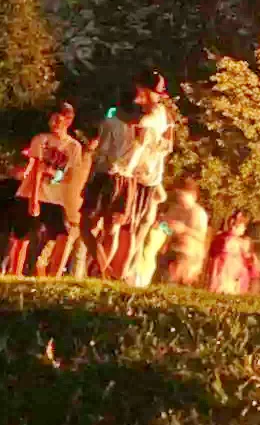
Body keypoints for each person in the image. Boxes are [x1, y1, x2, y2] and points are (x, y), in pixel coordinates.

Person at [4, 103, 84, 277]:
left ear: (68, 121)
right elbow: (35, 170)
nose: (53, 123)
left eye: (57, 119)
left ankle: (54, 276)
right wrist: (33, 200)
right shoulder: (41, 140)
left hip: (55, 198)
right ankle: (15, 274)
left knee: (64, 234)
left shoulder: (74, 147)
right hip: (30, 194)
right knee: (22, 236)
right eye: (51, 119)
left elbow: (69, 176)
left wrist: (54, 174)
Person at [78, 91, 138, 279]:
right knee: (112, 229)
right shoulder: (139, 127)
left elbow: (102, 153)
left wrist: (88, 180)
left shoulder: (110, 124)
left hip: (106, 176)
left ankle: (104, 269)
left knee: (86, 225)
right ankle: (104, 272)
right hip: (127, 179)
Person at [122, 70, 175, 283]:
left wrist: (126, 170)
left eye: (141, 90)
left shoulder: (148, 120)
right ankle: (132, 274)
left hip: (140, 178)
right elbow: (169, 145)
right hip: (152, 179)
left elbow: (137, 149)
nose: (138, 93)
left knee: (132, 227)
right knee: (140, 229)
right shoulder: (165, 116)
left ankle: (126, 273)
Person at [152, 178, 210, 286]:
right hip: (172, 249)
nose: (180, 198)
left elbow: (201, 237)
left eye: (183, 195)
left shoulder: (198, 213)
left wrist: (184, 229)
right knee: (162, 278)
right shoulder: (174, 209)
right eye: (179, 194)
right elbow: (168, 231)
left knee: (174, 279)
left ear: (193, 196)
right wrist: (162, 224)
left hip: (188, 254)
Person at [207, 210, 257, 294]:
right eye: (243, 226)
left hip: (224, 275)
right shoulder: (236, 242)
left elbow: (212, 253)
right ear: (235, 226)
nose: (244, 229)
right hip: (228, 276)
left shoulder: (221, 237)